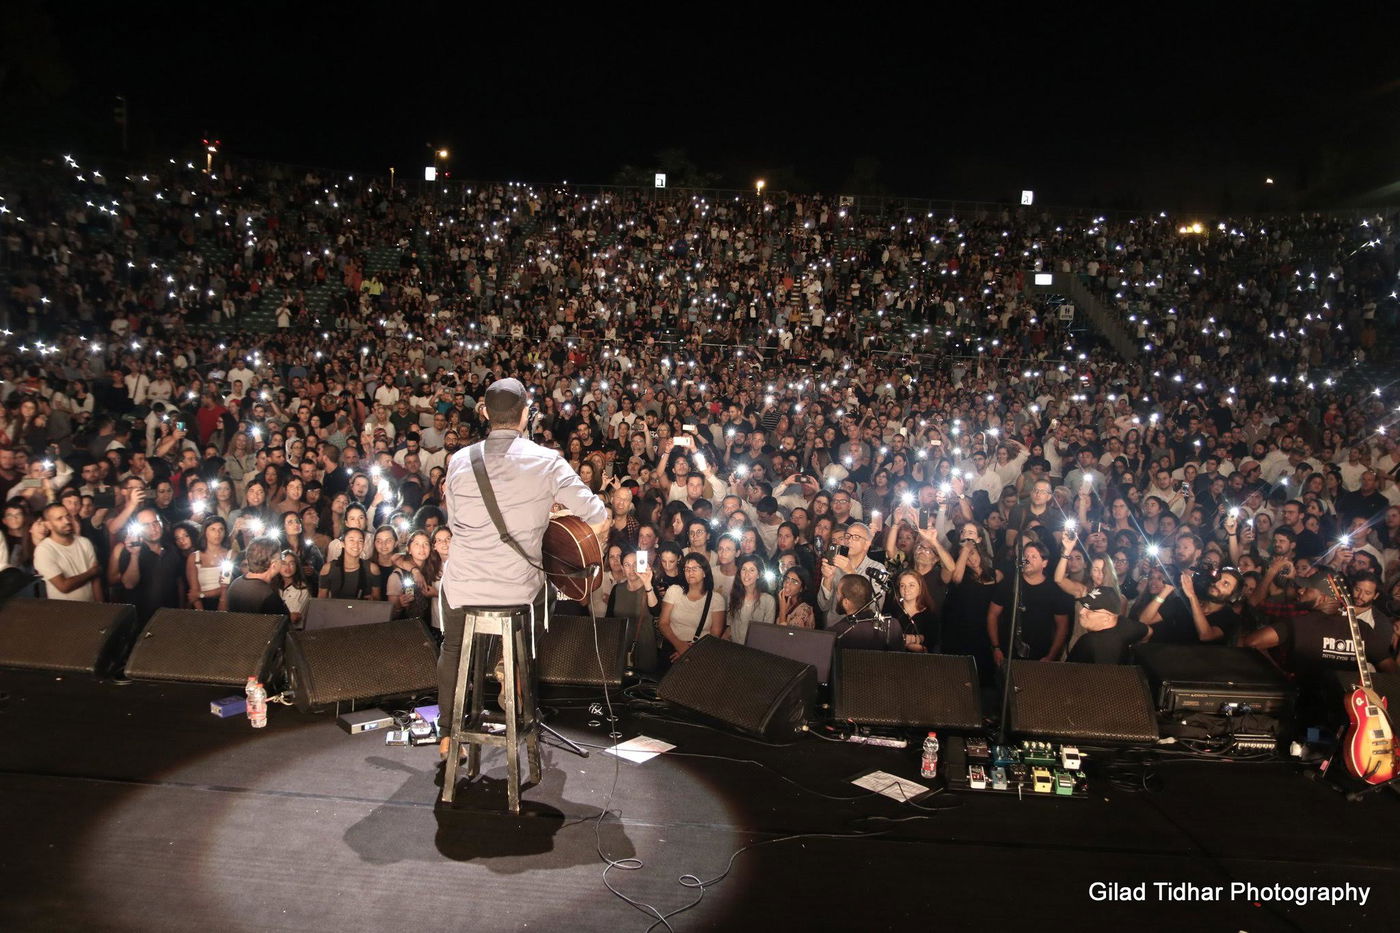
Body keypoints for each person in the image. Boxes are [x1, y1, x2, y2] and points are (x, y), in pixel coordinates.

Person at [437, 378, 608, 759]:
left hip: (463, 585)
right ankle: (510, 663)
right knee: (543, 590)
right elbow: (596, 512)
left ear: (484, 413)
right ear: (526, 415)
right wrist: (549, 510)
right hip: (515, 592)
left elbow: (456, 522)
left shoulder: (458, 460)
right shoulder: (546, 461)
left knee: (452, 647)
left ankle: (449, 733)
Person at [987, 541, 1071, 664]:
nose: (1027, 560)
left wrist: (1051, 656)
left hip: (1040, 655)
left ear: (1044, 563)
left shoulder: (1054, 590)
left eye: (1033, 556)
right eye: (1025, 556)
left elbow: (1062, 626)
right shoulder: (1010, 583)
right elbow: (992, 615)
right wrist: (996, 647)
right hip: (1009, 653)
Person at [658, 552, 728, 661]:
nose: (690, 572)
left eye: (695, 568)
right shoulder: (674, 591)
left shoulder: (716, 599)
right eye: (686, 569)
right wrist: (680, 646)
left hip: (702, 652)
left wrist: (692, 651)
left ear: (704, 572)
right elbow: (663, 623)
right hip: (672, 646)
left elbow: (715, 635)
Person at [33, 503, 102, 602]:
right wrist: (92, 572)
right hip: (64, 613)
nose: (66, 521)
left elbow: (96, 580)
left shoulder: (84, 542)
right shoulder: (43, 550)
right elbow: (64, 586)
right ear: (48, 524)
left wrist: (101, 607)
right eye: (59, 518)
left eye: (67, 516)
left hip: (91, 609)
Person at [828, 574, 903, 650]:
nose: (836, 595)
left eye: (838, 593)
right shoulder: (893, 625)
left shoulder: (836, 632)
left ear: (846, 603)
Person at [221, 535, 290, 616]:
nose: (282, 560)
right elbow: (282, 625)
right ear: (273, 565)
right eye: (281, 557)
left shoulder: (235, 584)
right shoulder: (268, 597)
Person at [726, 556, 776, 644]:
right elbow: (730, 627)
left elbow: (768, 632)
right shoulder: (733, 596)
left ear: (759, 575)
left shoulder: (768, 600)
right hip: (735, 648)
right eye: (744, 569)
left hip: (757, 650)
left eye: (752, 570)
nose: (746, 574)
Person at [887, 569, 938, 652]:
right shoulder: (891, 610)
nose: (906, 589)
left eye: (911, 585)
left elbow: (931, 644)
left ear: (920, 588)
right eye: (902, 585)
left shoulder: (929, 615)